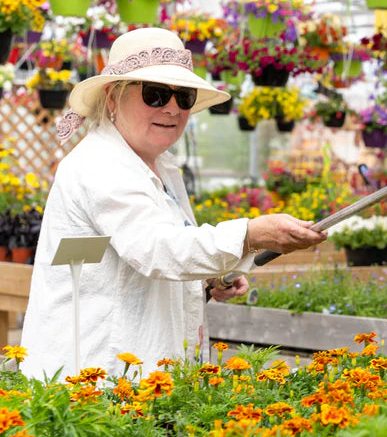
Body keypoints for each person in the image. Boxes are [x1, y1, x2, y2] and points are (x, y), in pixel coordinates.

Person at [20, 28, 326, 379]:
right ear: (112, 98)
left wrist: (210, 279)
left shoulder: (159, 166)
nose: (172, 109)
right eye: (155, 94)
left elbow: (144, 256)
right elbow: (157, 249)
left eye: (184, 97)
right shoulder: (100, 164)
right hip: (96, 382)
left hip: (139, 371)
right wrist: (250, 234)